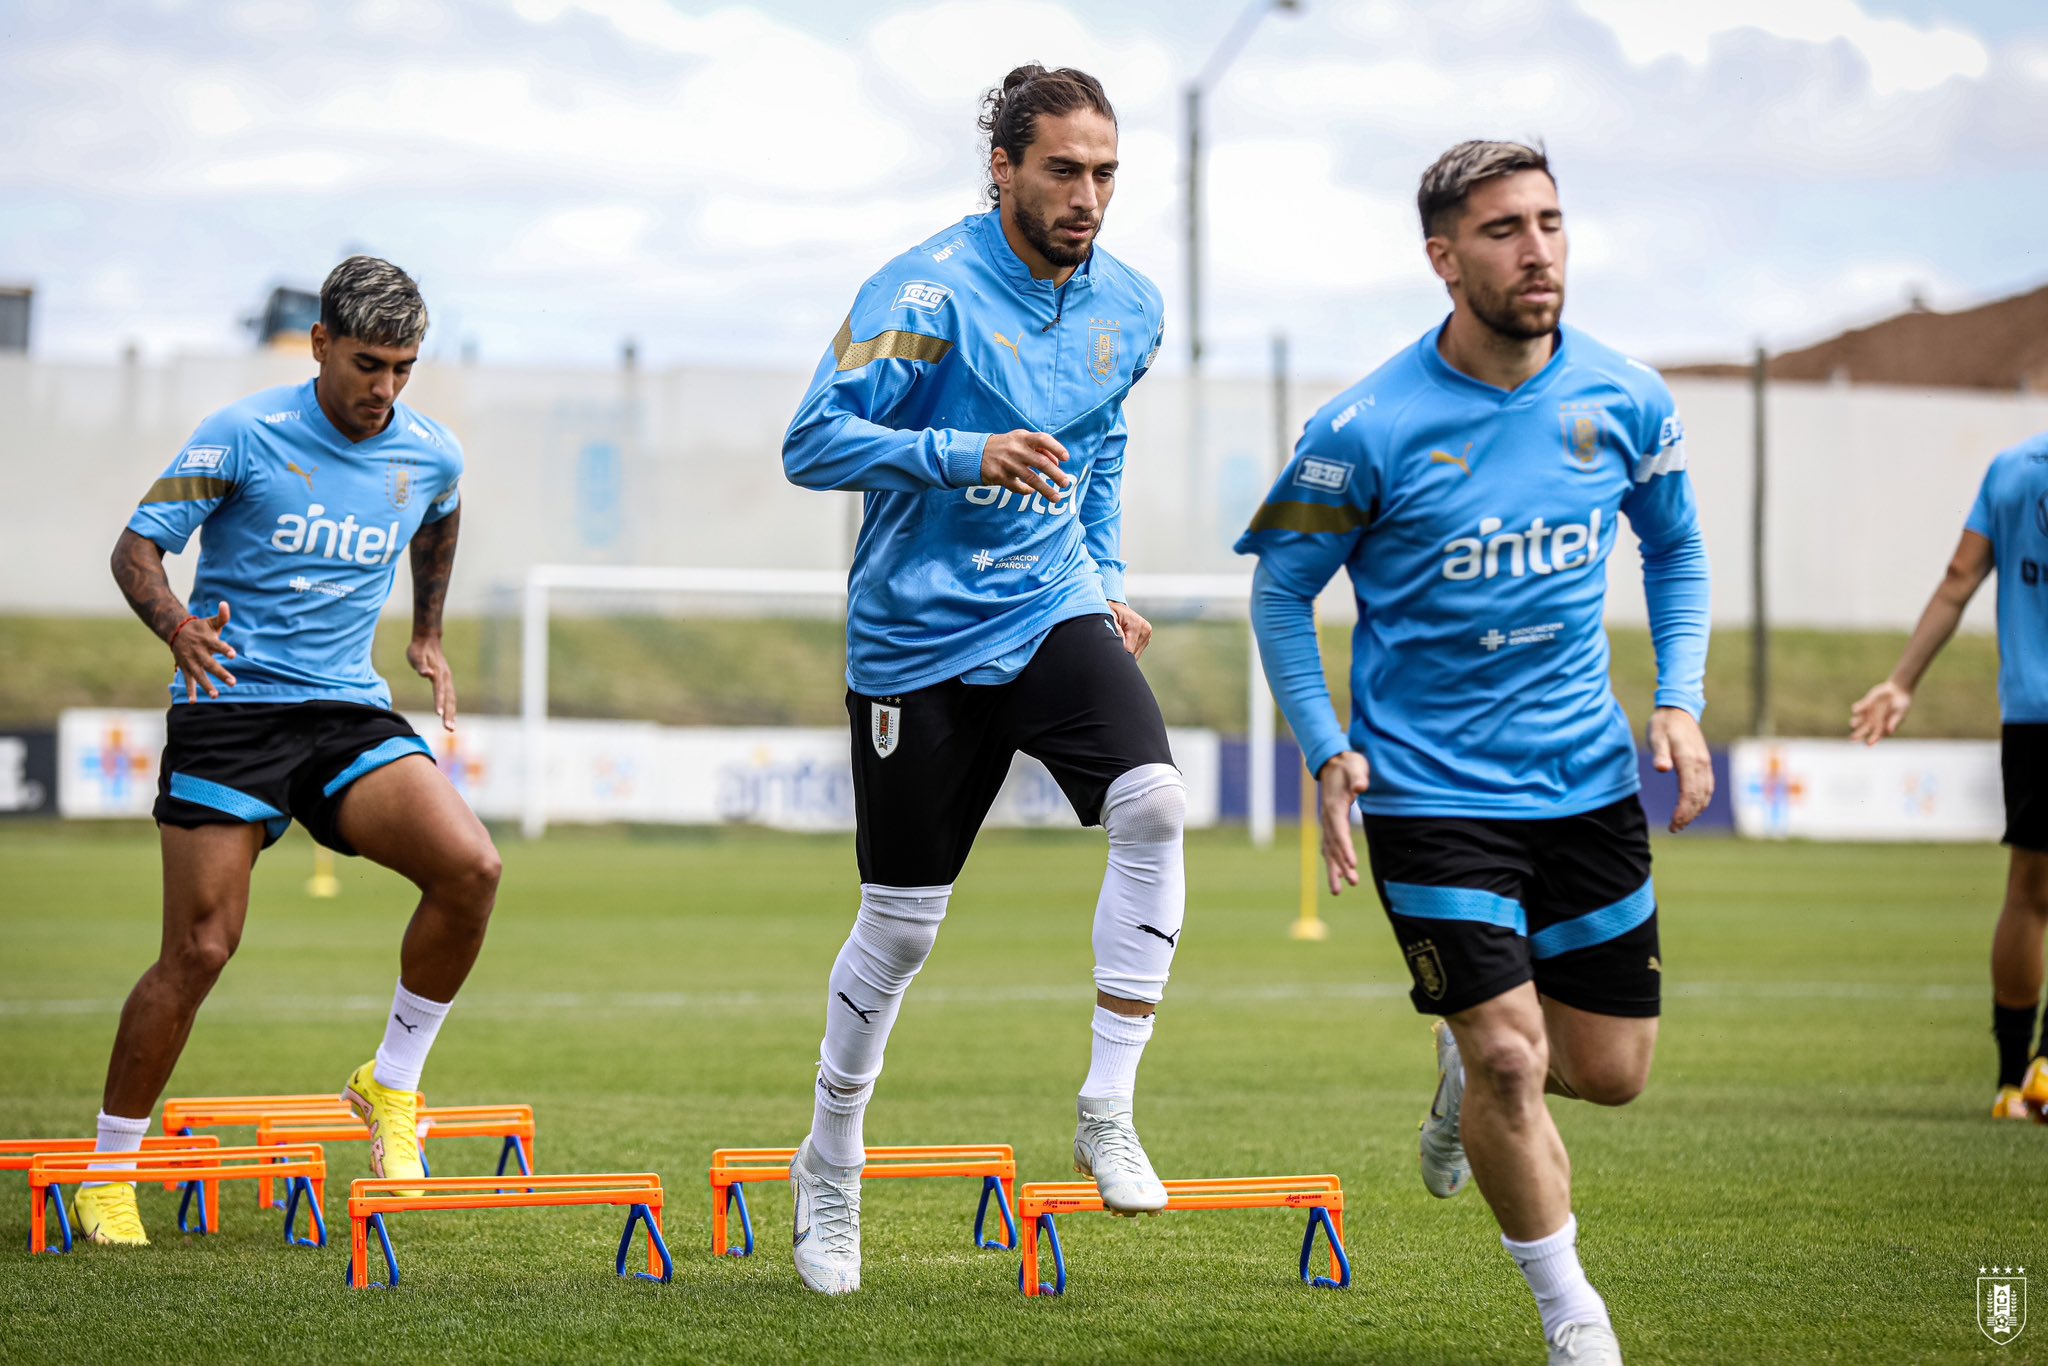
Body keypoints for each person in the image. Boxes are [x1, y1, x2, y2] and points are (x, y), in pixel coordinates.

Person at [1235, 141, 1713, 1364]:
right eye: (1503, 229)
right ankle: (1575, 1323)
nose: (1537, 248)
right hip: (1428, 791)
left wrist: (1678, 697)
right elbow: (1284, 594)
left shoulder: (1627, 399)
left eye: (1549, 222)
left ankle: (1467, 1079)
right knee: (1509, 1050)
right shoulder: (1362, 428)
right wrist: (1327, 748)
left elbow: (1673, 549)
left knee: (1604, 1074)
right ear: (1443, 259)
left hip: (1587, 782)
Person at [778, 64, 1180, 1295]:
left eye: (1105, 172)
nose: (1087, 195)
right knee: (899, 926)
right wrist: (961, 453)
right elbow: (811, 442)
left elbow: (1099, 446)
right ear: (1000, 168)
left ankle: (1105, 1106)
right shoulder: (922, 292)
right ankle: (829, 1163)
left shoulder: (1130, 306)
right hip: (911, 638)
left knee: (1155, 803)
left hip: (1050, 604)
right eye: (1063, 169)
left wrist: (1105, 571)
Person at [73, 256, 500, 1245]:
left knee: (471, 866)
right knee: (200, 948)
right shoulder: (240, 435)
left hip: (346, 714)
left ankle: (388, 1086)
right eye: (366, 363)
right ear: (318, 344)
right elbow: (137, 548)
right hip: (231, 711)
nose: (383, 388)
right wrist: (178, 628)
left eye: (402, 366)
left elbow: (439, 518)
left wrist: (426, 632)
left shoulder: (431, 452)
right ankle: (108, 1170)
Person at [1851, 434, 2048, 1120]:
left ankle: (2011, 1082)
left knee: (2029, 891)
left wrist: (1901, 681)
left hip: (2031, 712)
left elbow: (1959, 580)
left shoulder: (2013, 469)